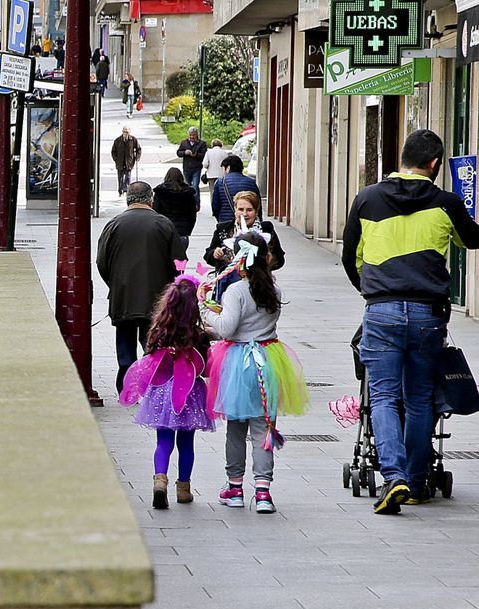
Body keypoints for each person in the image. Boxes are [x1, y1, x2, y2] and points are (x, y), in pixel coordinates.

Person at [341, 129, 479, 514]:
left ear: (401, 157)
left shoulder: (366, 199)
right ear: (435, 164)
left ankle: (393, 476)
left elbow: (351, 256)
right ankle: (417, 484)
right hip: (427, 313)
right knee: (419, 397)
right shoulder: (446, 202)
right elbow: (473, 240)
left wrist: (373, 292)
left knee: (383, 396)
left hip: (381, 309)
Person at [200, 231, 309, 514]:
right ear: (267, 258)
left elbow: (226, 329)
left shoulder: (236, 291)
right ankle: (263, 492)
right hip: (269, 360)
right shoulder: (273, 289)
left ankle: (235, 488)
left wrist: (206, 310)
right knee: (263, 429)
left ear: (239, 259)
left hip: (238, 362)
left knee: (236, 429)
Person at [119, 273, 216, 509]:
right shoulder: (198, 335)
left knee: (163, 443)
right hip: (189, 395)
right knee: (186, 444)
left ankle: (159, 482)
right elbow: (204, 368)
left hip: (161, 393)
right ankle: (183, 489)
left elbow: (149, 361)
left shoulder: (157, 333)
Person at [96, 181, 183, 392]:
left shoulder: (114, 225)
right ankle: (153, 387)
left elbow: (101, 262)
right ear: (150, 199)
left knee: (125, 345)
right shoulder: (164, 224)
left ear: (127, 199)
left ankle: (127, 388)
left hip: (123, 297)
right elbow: (179, 263)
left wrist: (115, 284)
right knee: (152, 345)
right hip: (156, 299)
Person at [203, 190, 283, 300]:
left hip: (259, 286)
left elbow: (279, 259)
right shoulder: (223, 229)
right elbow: (208, 256)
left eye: (249, 210)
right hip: (227, 286)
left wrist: (264, 261)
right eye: (241, 209)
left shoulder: (266, 229)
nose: (244, 214)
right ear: (235, 209)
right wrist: (215, 254)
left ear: (256, 211)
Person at [153, 167, 197, 250]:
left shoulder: (160, 192)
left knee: (164, 261)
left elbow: (155, 212)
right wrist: (188, 230)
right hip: (182, 231)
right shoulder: (188, 193)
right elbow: (192, 215)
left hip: (164, 231)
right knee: (180, 261)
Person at [209, 155, 261, 223]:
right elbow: (257, 204)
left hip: (226, 221)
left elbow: (215, 206)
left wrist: (220, 220)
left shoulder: (220, 182)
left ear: (228, 168)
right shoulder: (251, 182)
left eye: (223, 169)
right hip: (248, 222)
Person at [176, 127, 207, 209]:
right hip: (186, 168)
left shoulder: (201, 143)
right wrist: (185, 152)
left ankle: (196, 204)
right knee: (187, 186)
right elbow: (178, 153)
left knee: (195, 186)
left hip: (196, 168)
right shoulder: (184, 143)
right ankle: (188, 203)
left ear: (197, 135)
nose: (192, 137)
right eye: (190, 135)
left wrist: (196, 154)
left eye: (193, 135)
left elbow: (204, 155)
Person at [110, 127, 141, 197]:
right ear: (122, 132)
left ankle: (126, 190)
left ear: (129, 132)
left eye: (127, 132)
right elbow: (113, 152)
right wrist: (116, 159)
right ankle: (120, 191)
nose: (125, 133)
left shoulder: (133, 140)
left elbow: (138, 149)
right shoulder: (117, 140)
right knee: (120, 178)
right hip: (120, 163)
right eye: (124, 132)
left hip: (129, 162)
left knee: (128, 177)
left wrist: (137, 158)